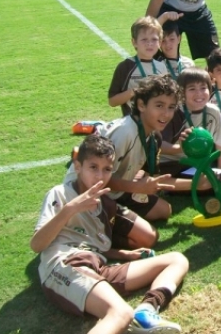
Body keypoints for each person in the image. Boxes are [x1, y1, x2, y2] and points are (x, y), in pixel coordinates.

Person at [32, 135, 188, 334]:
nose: (100, 175)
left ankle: (146, 310)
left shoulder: (104, 204)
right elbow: (37, 244)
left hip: (96, 268)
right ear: (78, 167)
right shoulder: (61, 193)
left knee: (177, 259)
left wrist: (123, 254)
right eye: (93, 167)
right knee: (119, 313)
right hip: (65, 265)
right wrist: (71, 209)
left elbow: (93, 247)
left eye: (106, 169)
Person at [69, 75, 198, 231]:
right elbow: (98, 180)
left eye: (171, 107)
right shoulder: (125, 133)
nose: (166, 114)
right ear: (141, 105)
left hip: (117, 190)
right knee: (148, 236)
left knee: (164, 210)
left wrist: (197, 182)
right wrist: (136, 187)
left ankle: (116, 217)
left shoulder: (153, 135)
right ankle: (94, 225)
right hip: (88, 192)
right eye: (159, 105)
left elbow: (152, 178)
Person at [160, 68, 221, 177]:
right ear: (182, 92)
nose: (199, 93)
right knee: (201, 183)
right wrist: (179, 149)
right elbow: (159, 144)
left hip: (199, 162)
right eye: (192, 89)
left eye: (203, 88)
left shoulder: (213, 112)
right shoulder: (174, 112)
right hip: (172, 163)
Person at [109, 16, 168, 116]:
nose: (149, 43)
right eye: (144, 39)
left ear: (160, 42)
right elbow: (112, 101)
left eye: (154, 39)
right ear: (134, 42)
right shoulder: (125, 67)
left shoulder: (161, 67)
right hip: (133, 121)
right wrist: (135, 91)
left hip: (156, 121)